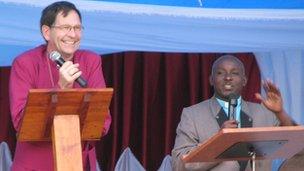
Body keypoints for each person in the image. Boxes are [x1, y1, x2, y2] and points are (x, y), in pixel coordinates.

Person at [9, 1, 111, 170]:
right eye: (65, 27)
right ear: (47, 32)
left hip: (77, 162)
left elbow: (102, 123)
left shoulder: (91, 61)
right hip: (36, 165)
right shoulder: (25, 63)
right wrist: (61, 90)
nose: (73, 34)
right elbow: (20, 123)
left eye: (77, 28)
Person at [171, 55, 296, 171]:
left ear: (244, 80)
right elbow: (178, 164)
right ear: (211, 80)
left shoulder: (263, 113)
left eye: (235, 73)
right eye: (220, 73)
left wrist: (280, 112)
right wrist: (219, 141)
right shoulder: (192, 114)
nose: (228, 78)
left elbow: (298, 145)